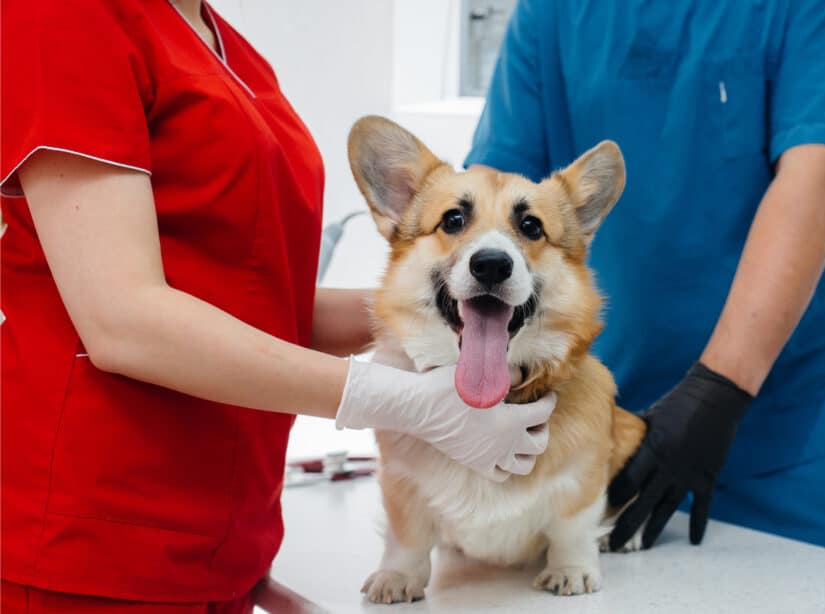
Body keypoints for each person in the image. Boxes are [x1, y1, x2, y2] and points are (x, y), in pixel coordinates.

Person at [0, 1, 555, 610]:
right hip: (93, 538)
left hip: (226, 539)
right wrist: (404, 404)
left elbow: (259, 305)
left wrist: (453, 303)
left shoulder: (228, 48)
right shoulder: (65, 16)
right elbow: (123, 320)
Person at [466, 0, 825, 559]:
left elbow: (817, 185)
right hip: (603, 444)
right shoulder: (553, 13)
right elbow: (496, 188)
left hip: (794, 451)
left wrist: (717, 390)